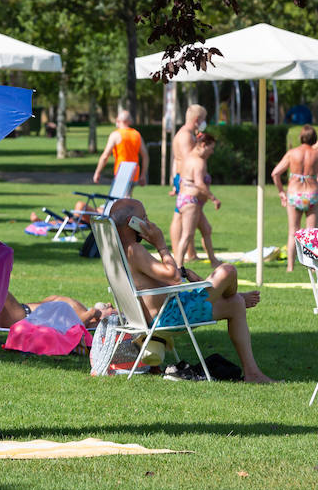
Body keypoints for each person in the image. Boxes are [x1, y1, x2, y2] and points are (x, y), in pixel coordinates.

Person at [107, 198, 276, 383]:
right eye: (144, 218)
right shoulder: (134, 249)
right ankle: (230, 294)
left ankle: (252, 374)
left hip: (163, 310)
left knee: (236, 304)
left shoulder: (118, 251)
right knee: (228, 271)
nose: (148, 223)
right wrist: (161, 244)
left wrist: (183, 273)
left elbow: (157, 278)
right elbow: (173, 277)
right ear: (132, 222)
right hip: (169, 316)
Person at [272, 126, 318, 273]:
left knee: (293, 231)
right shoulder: (317, 155)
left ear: (301, 138)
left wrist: (281, 192)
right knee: (312, 233)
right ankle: (312, 268)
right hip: (312, 194)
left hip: (294, 194)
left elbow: (275, 173)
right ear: (314, 138)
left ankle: (290, 267)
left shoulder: (292, 153)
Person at [167, 105, 215, 261]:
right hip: (187, 183)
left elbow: (176, 159)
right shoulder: (186, 136)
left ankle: (190, 254)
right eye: (203, 120)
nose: (204, 123)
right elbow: (190, 162)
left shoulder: (185, 134)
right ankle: (179, 256)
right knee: (181, 219)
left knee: (194, 221)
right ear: (197, 120)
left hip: (182, 180)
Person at [173, 132, 221, 267]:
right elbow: (199, 183)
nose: (211, 152)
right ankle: (178, 267)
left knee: (206, 229)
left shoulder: (188, 157)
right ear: (204, 145)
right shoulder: (199, 162)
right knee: (187, 235)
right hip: (190, 202)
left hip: (189, 201)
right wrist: (213, 198)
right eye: (211, 148)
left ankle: (213, 261)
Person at [0, 292, 113, 330]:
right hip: (20, 312)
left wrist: (93, 312)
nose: (109, 304)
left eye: (112, 309)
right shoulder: (81, 310)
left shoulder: (85, 314)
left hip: (21, 318)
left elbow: (75, 327)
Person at [92, 109, 148, 186]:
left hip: (121, 170)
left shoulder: (116, 134)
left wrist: (97, 172)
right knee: (128, 196)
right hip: (134, 171)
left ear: (119, 120)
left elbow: (105, 156)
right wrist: (143, 174)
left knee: (122, 197)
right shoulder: (136, 134)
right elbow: (145, 156)